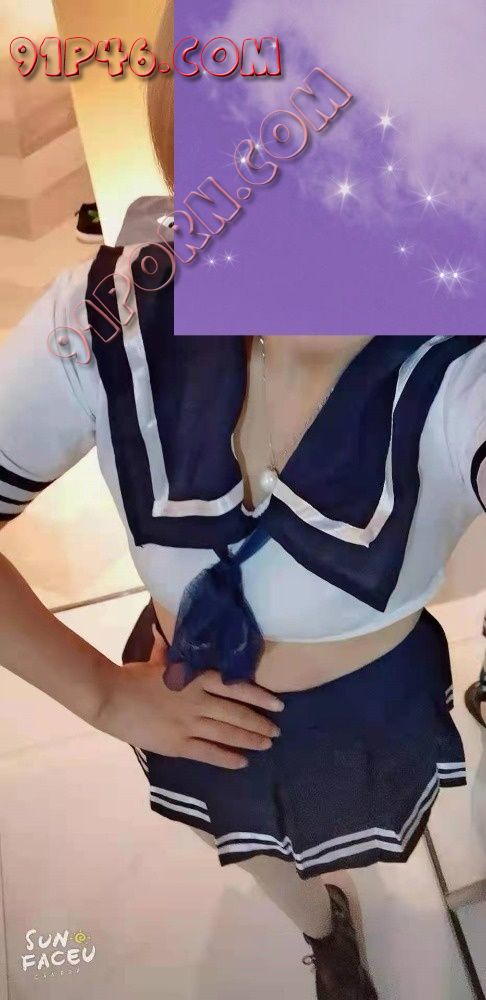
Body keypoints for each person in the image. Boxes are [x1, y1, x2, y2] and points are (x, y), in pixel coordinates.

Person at [1, 4, 485, 997]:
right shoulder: (109, 316)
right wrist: (101, 694)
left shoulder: (459, 366)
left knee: (362, 828)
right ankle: (324, 932)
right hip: (182, 690)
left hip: (366, 709)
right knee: (254, 855)